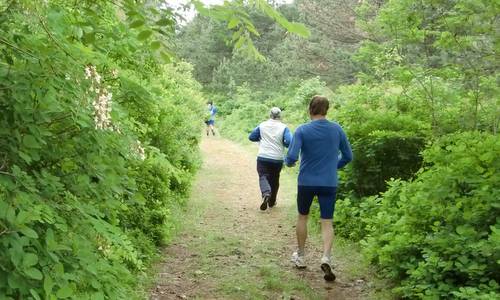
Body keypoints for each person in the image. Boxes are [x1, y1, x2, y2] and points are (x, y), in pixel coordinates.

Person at [285, 95, 352, 282]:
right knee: (327, 221)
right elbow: (348, 156)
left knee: (302, 217)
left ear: (310, 110)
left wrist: (288, 163)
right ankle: (326, 257)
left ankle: (300, 255)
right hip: (329, 182)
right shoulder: (337, 129)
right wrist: (333, 167)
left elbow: (291, 156)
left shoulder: (302, 130)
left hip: (306, 181)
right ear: (326, 110)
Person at [249, 107, 293, 211]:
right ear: (280, 116)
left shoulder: (262, 125)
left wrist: (260, 138)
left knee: (263, 176)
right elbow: (289, 142)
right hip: (277, 158)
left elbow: (251, 137)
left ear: (270, 115)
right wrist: (283, 143)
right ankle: (272, 202)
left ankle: (266, 193)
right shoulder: (284, 127)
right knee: (275, 178)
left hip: (263, 156)